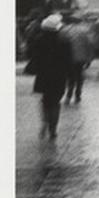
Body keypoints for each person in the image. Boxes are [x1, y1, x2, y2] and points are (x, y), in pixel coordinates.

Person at [30, 13, 73, 141]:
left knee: (45, 100)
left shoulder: (39, 40)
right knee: (55, 103)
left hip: (43, 75)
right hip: (59, 76)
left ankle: (45, 121)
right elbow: (69, 60)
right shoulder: (64, 41)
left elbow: (33, 56)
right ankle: (53, 129)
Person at [63, 12, 95, 105]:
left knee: (70, 77)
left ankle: (68, 95)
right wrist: (89, 58)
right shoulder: (85, 30)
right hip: (81, 58)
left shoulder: (65, 30)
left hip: (69, 58)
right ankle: (78, 95)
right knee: (80, 76)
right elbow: (90, 44)